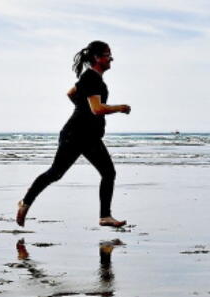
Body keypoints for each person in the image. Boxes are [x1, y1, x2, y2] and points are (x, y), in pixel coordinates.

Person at [17, 41, 131, 227]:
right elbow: (97, 109)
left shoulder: (91, 78)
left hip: (88, 136)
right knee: (55, 173)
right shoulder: (92, 78)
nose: (111, 58)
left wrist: (81, 108)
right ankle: (25, 202)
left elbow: (71, 93)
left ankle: (105, 216)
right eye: (108, 54)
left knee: (108, 172)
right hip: (76, 135)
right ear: (97, 58)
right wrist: (120, 108)